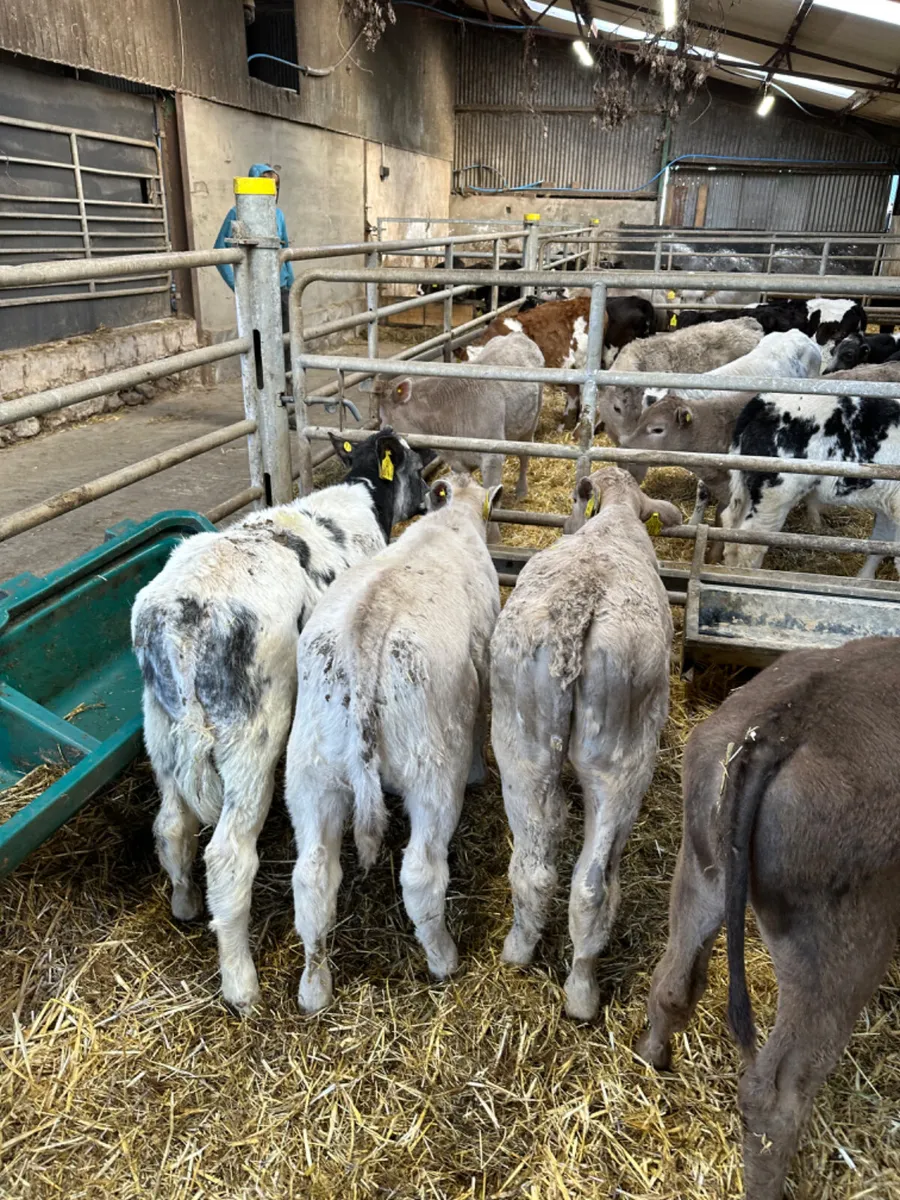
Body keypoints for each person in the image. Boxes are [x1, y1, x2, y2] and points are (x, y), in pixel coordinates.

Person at [214, 163, 294, 369]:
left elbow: (285, 251)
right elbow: (219, 250)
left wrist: (292, 284)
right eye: (266, 185)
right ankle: (261, 391)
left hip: (281, 288)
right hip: (256, 291)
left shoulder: (279, 215)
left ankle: (287, 390)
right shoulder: (237, 212)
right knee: (259, 342)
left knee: (286, 341)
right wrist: (238, 286)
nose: (272, 191)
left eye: (275, 187)